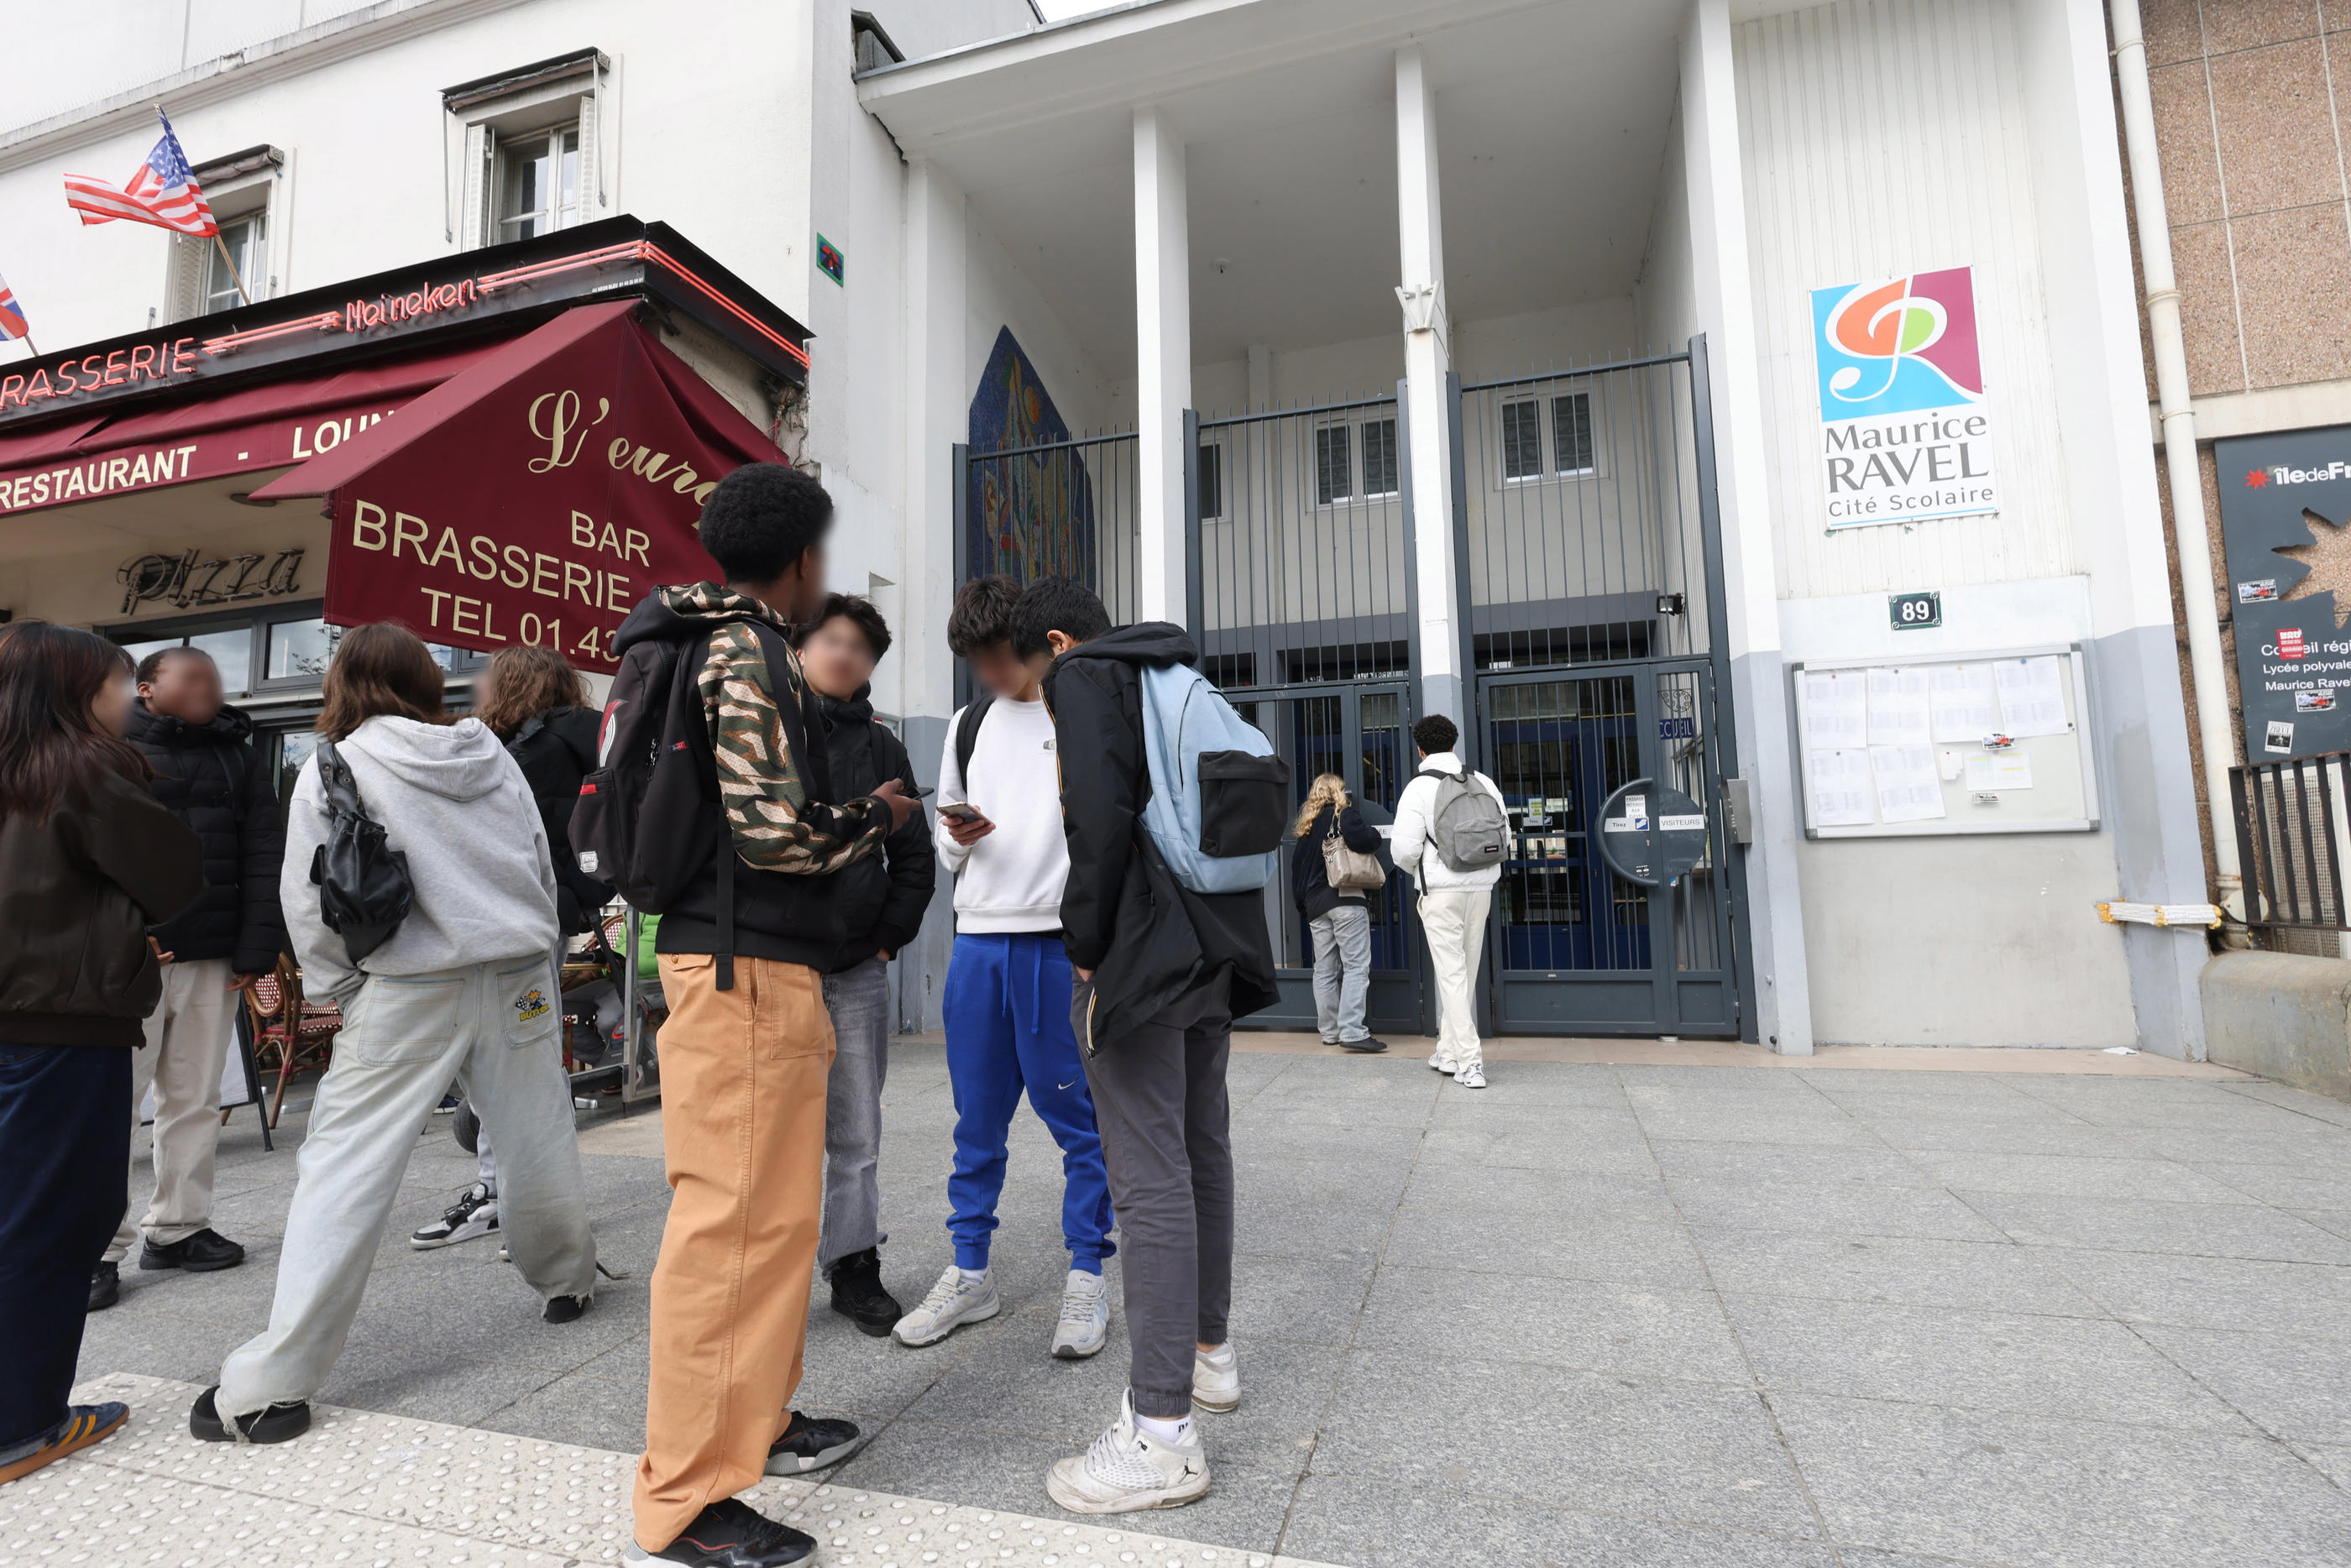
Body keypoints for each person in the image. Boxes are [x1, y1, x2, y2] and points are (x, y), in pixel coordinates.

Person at [600, 464, 919, 1568]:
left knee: (773, 1227)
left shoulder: (683, 639)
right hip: (739, 971)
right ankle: (686, 1496)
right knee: (732, 1233)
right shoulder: (743, 647)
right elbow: (776, 833)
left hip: (740, 966)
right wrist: (872, 817)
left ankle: (760, 1422)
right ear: (800, 562)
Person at [190, 622, 600, 1447]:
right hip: (517, 967)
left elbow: (307, 897)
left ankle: (275, 1384)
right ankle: (569, 1278)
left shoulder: (336, 765)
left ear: (342, 681)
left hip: (406, 981)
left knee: (346, 1168)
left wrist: (342, 989)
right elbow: (538, 861)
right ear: (424, 681)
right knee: (536, 1134)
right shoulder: (487, 753)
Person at [1022, 577, 1278, 1516]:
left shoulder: (1089, 676)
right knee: (1200, 1149)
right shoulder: (1174, 674)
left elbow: (1094, 821)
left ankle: (1160, 1432)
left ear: (1055, 641)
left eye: (1024, 678)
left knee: (1148, 1172)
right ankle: (1209, 1353)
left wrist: (1084, 949)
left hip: (1144, 948)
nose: (1032, 696)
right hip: (1213, 941)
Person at [892, 575, 1115, 1361]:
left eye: (997, 657)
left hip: (1063, 949)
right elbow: (947, 843)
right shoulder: (968, 724)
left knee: (1083, 1127)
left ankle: (1088, 1273)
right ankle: (970, 1272)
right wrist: (961, 835)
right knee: (975, 1125)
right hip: (979, 943)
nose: (989, 674)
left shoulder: (1084, 711)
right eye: (975, 662)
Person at [0, 625, 202, 1484]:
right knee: (56, 1216)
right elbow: (176, 879)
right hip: (61, 1023)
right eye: (116, 681)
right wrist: (123, 925)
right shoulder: (81, 767)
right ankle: (22, 1423)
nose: (124, 697)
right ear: (75, 688)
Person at [88, 645, 285, 1310]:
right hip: (134, 958)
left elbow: (265, 853)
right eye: (192, 676)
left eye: (214, 675)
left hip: (211, 957)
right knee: (114, 1105)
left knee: (197, 1100)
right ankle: (94, 1249)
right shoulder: (110, 749)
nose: (210, 686)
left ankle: (178, 1228)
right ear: (147, 690)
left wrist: (255, 952)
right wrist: (120, 934)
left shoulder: (239, 753)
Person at [411, 645, 614, 1253]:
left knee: (513, 1058)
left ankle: (512, 1197)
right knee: (521, 1055)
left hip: (514, 917)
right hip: (536, 917)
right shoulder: (570, 739)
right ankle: (519, 1195)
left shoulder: (535, 750)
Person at [794, 593, 935, 1336]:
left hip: (855, 971)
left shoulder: (882, 747)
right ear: (802, 646)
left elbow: (915, 857)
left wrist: (886, 941)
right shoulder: (765, 726)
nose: (844, 654)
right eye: (831, 639)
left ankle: (853, 1263)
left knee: (856, 1131)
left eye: (861, 647)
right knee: (777, 1133)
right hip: (775, 964)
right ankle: (778, 1268)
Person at [1389, 713, 1507, 1090]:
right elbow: (1504, 832)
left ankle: (1471, 1062)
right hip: (1481, 887)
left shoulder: (1419, 787)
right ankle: (1448, 1050)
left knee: (1451, 974)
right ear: (1454, 744)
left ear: (1419, 748)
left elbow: (1404, 850)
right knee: (1465, 972)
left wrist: (1419, 874)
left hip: (1441, 891)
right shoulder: (1482, 781)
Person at [1289, 772, 1387, 1053]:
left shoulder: (1306, 829)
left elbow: (1297, 876)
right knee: (1356, 965)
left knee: (1325, 970)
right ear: (1339, 792)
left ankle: (1330, 1032)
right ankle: (1353, 1031)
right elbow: (1367, 840)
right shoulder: (1344, 816)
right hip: (1344, 899)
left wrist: (1304, 908)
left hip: (1316, 907)